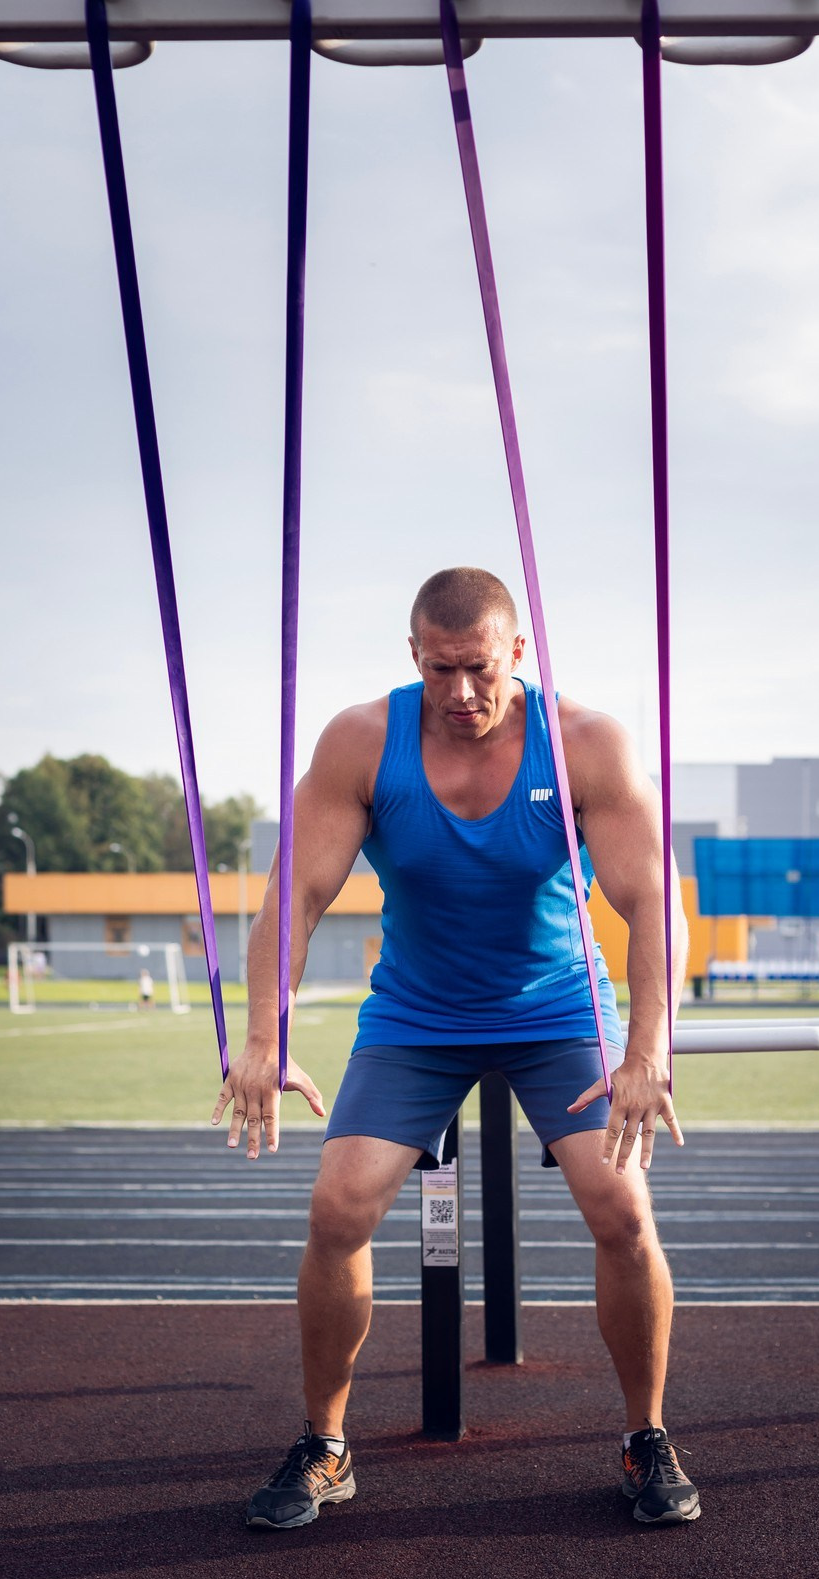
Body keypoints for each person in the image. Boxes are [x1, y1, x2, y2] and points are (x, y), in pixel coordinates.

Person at [212, 567, 699, 1530]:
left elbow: (652, 904)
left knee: (621, 1209)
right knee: (337, 1205)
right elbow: (295, 898)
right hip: (418, 1014)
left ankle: (646, 1435)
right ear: (413, 657)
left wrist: (646, 1051)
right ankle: (325, 1442)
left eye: (478, 669)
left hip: (557, 1006)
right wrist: (264, 1037)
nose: (461, 693)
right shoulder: (361, 741)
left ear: (516, 653)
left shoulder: (583, 742)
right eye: (440, 671)